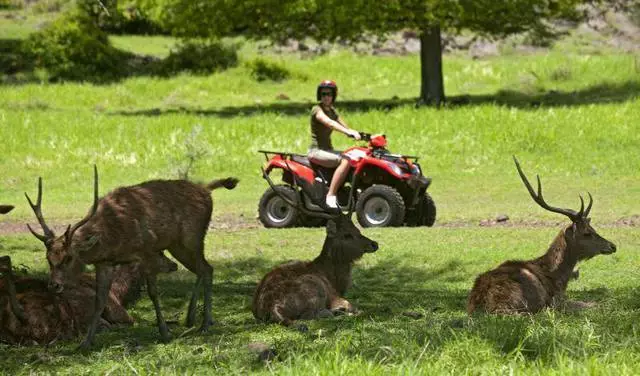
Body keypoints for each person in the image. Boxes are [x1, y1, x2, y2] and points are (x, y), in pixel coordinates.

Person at [307, 80, 361, 209]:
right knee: (346, 160)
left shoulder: (331, 110)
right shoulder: (317, 110)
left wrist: (354, 133)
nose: (326, 97)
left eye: (329, 94)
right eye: (324, 94)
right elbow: (330, 123)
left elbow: (343, 125)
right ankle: (331, 196)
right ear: (320, 95)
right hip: (316, 151)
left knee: (354, 156)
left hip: (328, 151)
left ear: (333, 96)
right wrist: (347, 131)